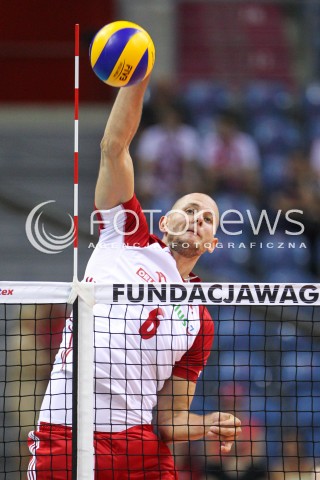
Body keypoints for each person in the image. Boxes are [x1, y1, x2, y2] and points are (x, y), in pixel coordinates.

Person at [27, 75, 241, 479]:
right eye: (190, 209)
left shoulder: (200, 323)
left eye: (209, 218)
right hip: (67, 433)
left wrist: (206, 422)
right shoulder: (127, 236)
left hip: (139, 449)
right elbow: (113, 148)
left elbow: (170, 420)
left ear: (212, 244)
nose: (198, 218)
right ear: (165, 222)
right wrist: (137, 76)